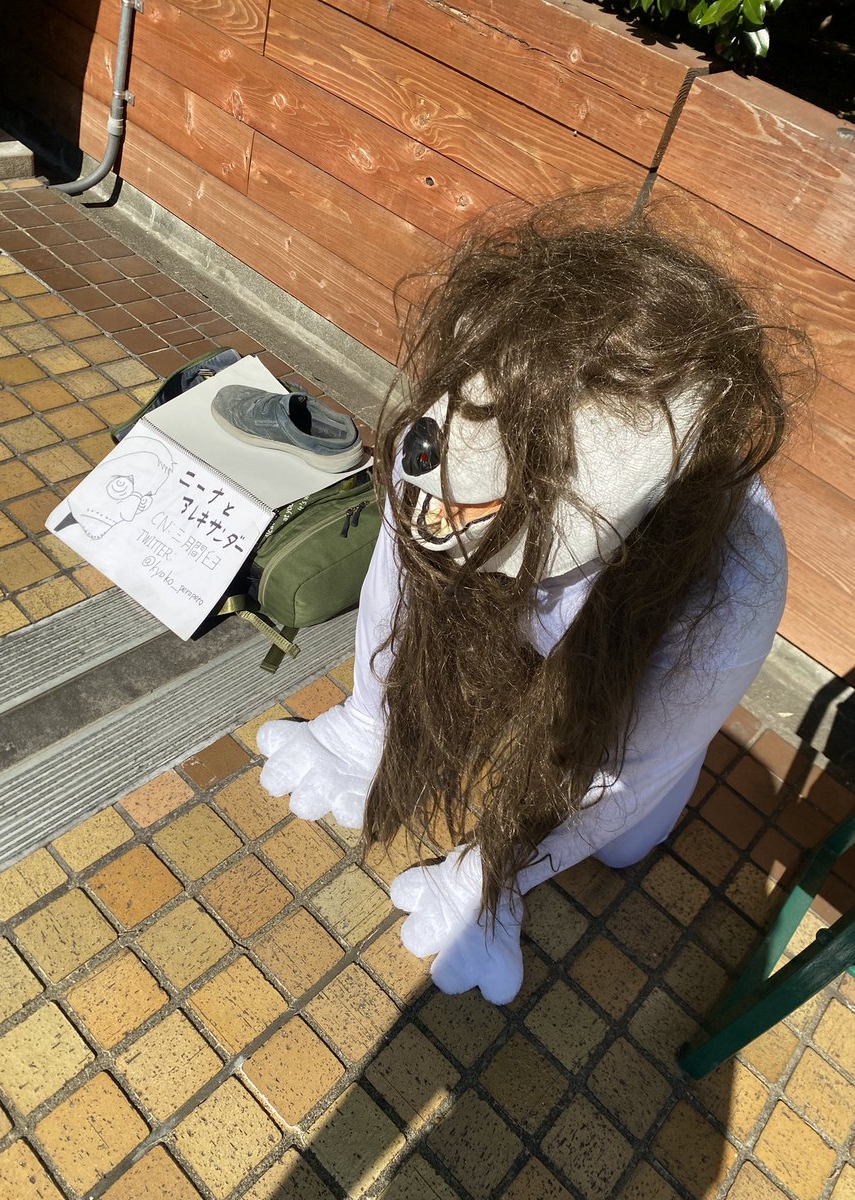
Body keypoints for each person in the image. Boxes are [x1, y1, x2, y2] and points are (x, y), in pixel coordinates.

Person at [256, 197, 808, 1003]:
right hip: (557, 573)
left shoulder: (733, 595)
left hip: (636, 615)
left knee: (625, 841)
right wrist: (366, 723)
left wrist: (491, 877)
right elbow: (402, 574)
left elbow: (626, 774)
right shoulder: (450, 440)